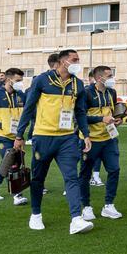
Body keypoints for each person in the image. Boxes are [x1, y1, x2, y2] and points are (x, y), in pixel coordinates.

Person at [14, 49, 93, 234]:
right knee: (39, 178)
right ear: (63, 61)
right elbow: (28, 108)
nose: (77, 62)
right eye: (74, 59)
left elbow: (80, 112)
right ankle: (35, 214)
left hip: (67, 138)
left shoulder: (78, 84)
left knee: (72, 177)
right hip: (43, 137)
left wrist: (86, 134)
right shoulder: (42, 80)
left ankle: (76, 219)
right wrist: (20, 135)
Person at [80, 66, 125, 220]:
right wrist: (101, 119)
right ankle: (86, 206)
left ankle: (109, 205)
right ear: (99, 78)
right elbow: (80, 117)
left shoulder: (111, 92)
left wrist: (117, 120)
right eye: (110, 76)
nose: (113, 78)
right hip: (90, 139)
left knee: (114, 170)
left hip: (109, 138)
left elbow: (111, 113)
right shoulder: (86, 93)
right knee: (85, 174)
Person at [0, 68, 28, 204]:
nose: (20, 83)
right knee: (11, 162)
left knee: (13, 163)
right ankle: (17, 195)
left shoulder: (20, 95)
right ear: (9, 80)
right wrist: (1, 125)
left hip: (17, 136)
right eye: (18, 80)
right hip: (2, 136)